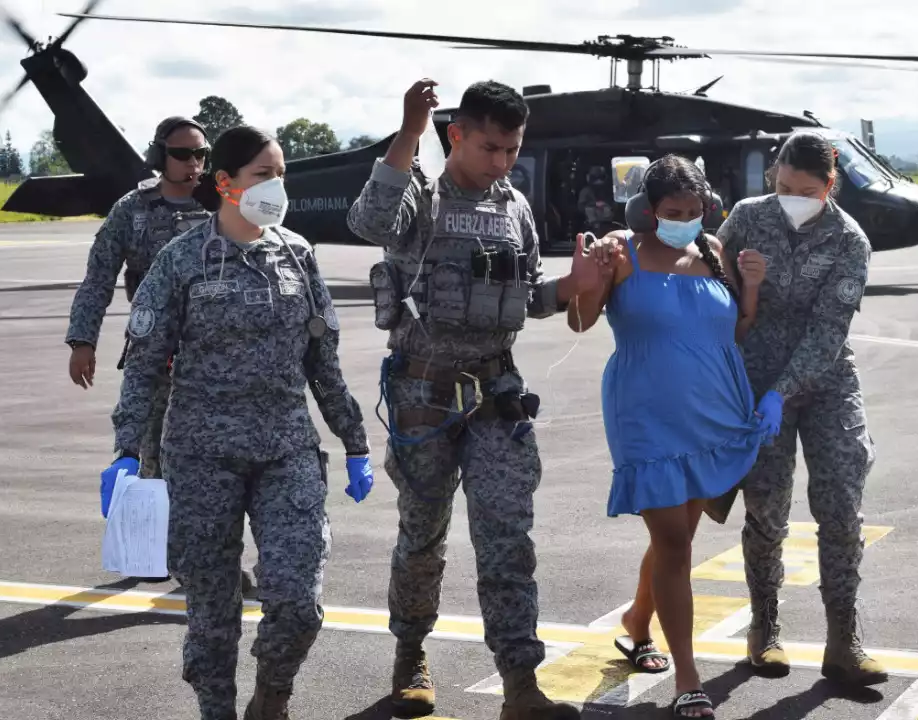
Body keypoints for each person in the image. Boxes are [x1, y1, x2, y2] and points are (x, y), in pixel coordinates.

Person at [346, 78, 605, 720]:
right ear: (456, 134)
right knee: (422, 537)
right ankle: (410, 656)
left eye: (512, 150)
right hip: (422, 394)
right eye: (491, 147)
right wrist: (409, 132)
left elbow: (528, 297)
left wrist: (573, 284)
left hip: (496, 392)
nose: (502, 162)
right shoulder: (419, 199)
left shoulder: (513, 206)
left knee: (508, 539)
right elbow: (368, 222)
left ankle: (520, 683)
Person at [109, 124, 376, 720]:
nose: (277, 186)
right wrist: (128, 449)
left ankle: (272, 697)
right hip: (202, 454)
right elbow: (145, 365)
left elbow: (322, 361)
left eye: (281, 173)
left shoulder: (298, 254)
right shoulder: (181, 260)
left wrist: (354, 440)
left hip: (286, 449)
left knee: (299, 600)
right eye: (263, 175)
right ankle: (217, 710)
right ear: (225, 183)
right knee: (212, 611)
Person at [568, 155, 778, 718]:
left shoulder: (713, 251)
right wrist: (588, 275)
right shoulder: (623, 250)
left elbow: (732, 329)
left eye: (693, 210)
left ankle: (637, 623)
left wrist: (750, 290)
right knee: (674, 542)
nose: (684, 219)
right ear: (647, 210)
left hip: (714, 410)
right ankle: (688, 679)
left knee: (677, 538)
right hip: (646, 411)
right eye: (671, 211)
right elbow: (581, 321)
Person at [714, 130, 885, 687]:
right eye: (784, 185)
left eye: (806, 190)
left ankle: (844, 639)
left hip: (826, 380)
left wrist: (781, 390)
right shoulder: (745, 217)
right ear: (774, 176)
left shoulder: (849, 241)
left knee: (840, 507)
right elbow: (714, 289)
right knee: (765, 509)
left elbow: (828, 332)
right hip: (755, 378)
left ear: (829, 186)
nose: (792, 196)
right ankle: (764, 629)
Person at [64, 115, 222, 584]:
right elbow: (98, 278)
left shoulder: (222, 205)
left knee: (220, 459)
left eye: (201, 155)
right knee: (150, 453)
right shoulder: (132, 210)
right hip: (156, 350)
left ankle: (217, 560)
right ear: (158, 156)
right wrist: (82, 340)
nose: (194, 163)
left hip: (218, 353)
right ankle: (155, 551)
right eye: (182, 154)